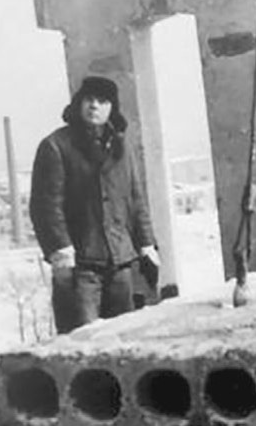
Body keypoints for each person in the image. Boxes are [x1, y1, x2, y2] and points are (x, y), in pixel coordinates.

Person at [29, 76, 160, 334]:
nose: (94, 106)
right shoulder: (56, 146)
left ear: (112, 108)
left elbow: (136, 199)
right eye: (89, 99)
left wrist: (147, 244)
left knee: (123, 337)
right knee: (82, 339)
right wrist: (61, 251)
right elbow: (46, 207)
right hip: (80, 267)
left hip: (120, 263)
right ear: (79, 103)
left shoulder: (122, 147)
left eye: (102, 101)